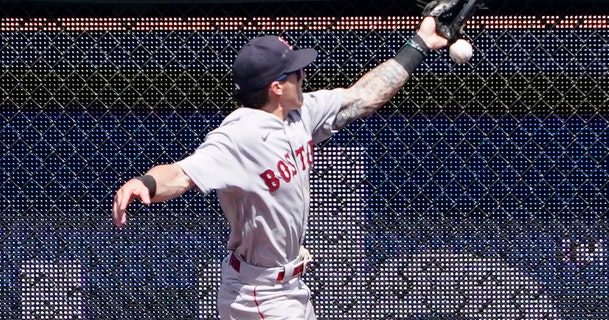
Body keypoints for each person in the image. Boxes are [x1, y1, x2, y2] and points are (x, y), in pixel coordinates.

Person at [112, 16, 449, 320]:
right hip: (256, 294)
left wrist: (419, 43)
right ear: (276, 87)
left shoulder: (301, 113)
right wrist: (146, 183)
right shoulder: (240, 135)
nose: (304, 77)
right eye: (297, 73)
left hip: (290, 290)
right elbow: (183, 173)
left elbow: (363, 97)